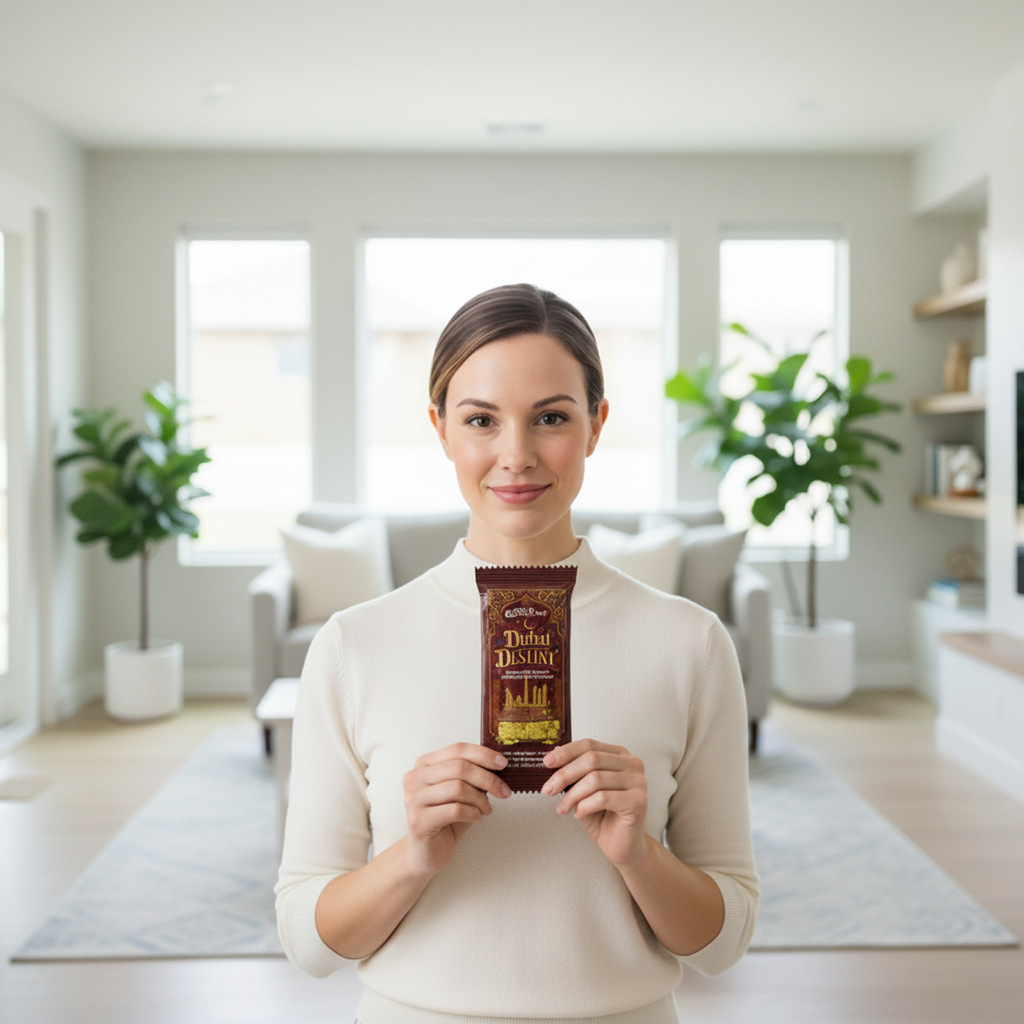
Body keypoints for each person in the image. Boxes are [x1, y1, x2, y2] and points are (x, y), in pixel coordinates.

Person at [275, 283, 758, 1023]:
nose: (516, 456)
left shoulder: (689, 643)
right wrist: (413, 856)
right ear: (441, 429)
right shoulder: (353, 645)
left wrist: (637, 852)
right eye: (481, 420)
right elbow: (307, 943)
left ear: (596, 424)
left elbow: (723, 944)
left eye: (551, 418)